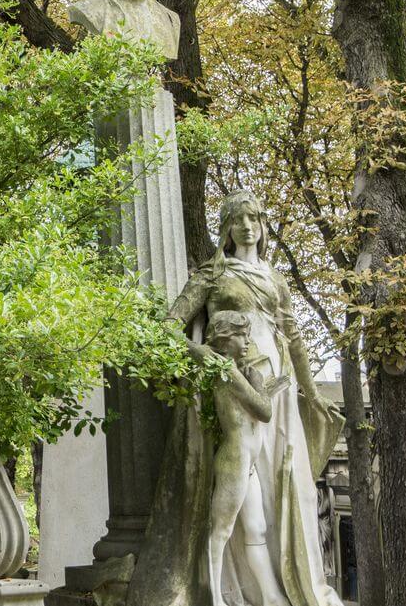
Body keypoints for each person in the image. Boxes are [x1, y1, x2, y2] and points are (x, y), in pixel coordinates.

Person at [129, 190, 345, 606]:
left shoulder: (276, 279)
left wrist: (312, 392)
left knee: (283, 488)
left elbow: (295, 339)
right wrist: (204, 354)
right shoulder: (213, 274)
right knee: (248, 494)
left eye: (254, 219)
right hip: (236, 385)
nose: (247, 227)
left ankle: (289, 584)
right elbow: (168, 327)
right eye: (237, 219)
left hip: (275, 387)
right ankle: (242, 590)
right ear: (226, 228)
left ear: (263, 227)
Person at [204, 310, 290, 606]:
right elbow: (263, 411)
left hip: (249, 462)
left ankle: (269, 596)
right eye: (240, 334)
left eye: (247, 333)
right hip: (235, 458)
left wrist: (259, 382)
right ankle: (216, 598)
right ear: (224, 337)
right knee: (221, 531)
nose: (247, 340)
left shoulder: (240, 370)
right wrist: (263, 386)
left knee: (256, 529)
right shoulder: (224, 368)